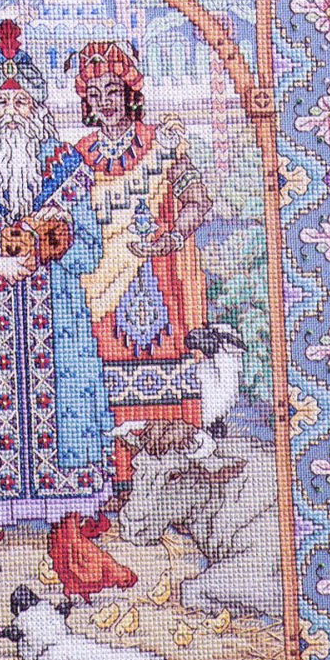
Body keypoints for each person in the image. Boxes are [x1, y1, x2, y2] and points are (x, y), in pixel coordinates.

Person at [0, 23, 116, 532]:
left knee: (70, 403)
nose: (12, 113)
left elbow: (90, 249)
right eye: (2, 104)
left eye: (21, 104)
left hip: (58, 318)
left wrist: (54, 246)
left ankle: (73, 510)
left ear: (37, 110)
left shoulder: (66, 167)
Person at [71, 39, 212, 483]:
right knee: (105, 371)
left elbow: (198, 199)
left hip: (160, 280)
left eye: (112, 91)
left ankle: (175, 478)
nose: (105, 102)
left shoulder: (160, 144)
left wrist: (172, 236)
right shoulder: (79, 155)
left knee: (168, 369)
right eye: (95, 94)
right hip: (102, 288)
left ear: (130, 92)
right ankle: (115, 479)